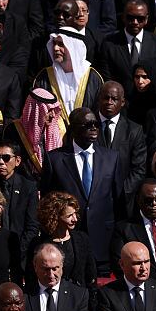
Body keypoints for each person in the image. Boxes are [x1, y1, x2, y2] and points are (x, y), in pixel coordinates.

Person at [41, 107, 122, 274]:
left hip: (103, 243)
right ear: (74, 128)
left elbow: (118, 199)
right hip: (68, 244)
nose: (93, 128)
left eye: (96, 124)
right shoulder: (55, 159)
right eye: (88, 124)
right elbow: (47, 201)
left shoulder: (111, 157)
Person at [23, 243, 90, 311]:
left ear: (62, 266)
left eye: (55, 268)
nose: (51, 274)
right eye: (46, 269)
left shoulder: (78, 295)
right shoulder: (24, 295)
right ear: (35, 266)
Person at [28, 191, 97, 292]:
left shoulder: (81, 239)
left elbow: (91, 273)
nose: (75, 219)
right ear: (55, 217)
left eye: (75, 214)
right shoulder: (39, 244)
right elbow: (31, 276)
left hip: (77, 298)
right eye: (69, 216)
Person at [33, 29, 104, 126]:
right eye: (54, 43)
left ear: (74, 47)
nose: (55, 48)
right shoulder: (44, 77)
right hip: (54, 138)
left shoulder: (93, 78)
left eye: (61, 44)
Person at [8, 87, 63, 178]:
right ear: (35, 111)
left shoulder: (58, 129)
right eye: (49, 111)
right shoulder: (14, 130)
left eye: (54, 110)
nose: (53, 115)